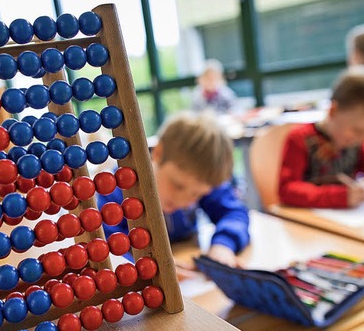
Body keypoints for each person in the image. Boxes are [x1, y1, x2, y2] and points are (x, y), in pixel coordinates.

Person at [98, 112, 250, 268]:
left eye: (197, 195)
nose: (183, 201)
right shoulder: (115, 192)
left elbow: (234, 213)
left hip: (185, 266)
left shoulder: (203, 178)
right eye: (178, 185)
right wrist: (147, 267)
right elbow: (105, 247)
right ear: (158, 153)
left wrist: (223, 245)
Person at [278, 71, 364, 208]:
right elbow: (286, 190)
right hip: (305, 221)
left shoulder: (360, 142)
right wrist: (339, 197)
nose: (361, 138)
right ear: (333, 111)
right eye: (356, 130)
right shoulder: (300, 139)